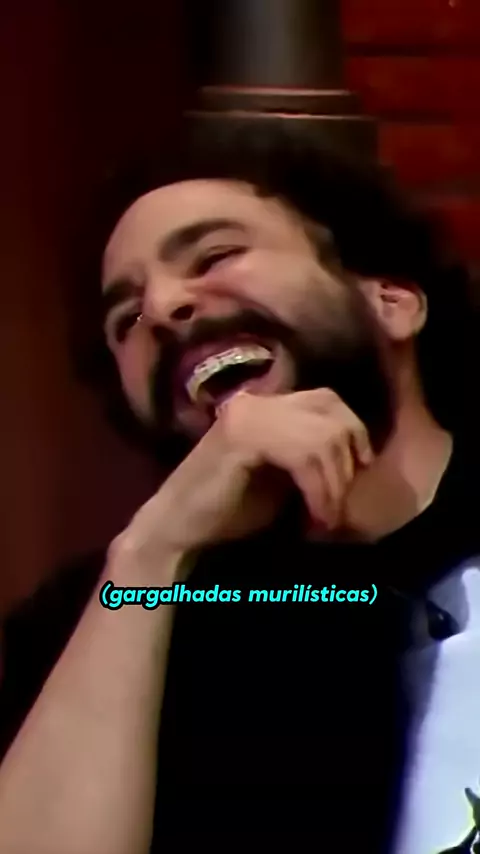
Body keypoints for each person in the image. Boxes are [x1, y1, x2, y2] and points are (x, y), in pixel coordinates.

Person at [0, 123, 479, 854]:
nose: (163, 307)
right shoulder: (103, 620)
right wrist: (150, 559)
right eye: (125, 318)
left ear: (391, 301)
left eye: (216, 256)